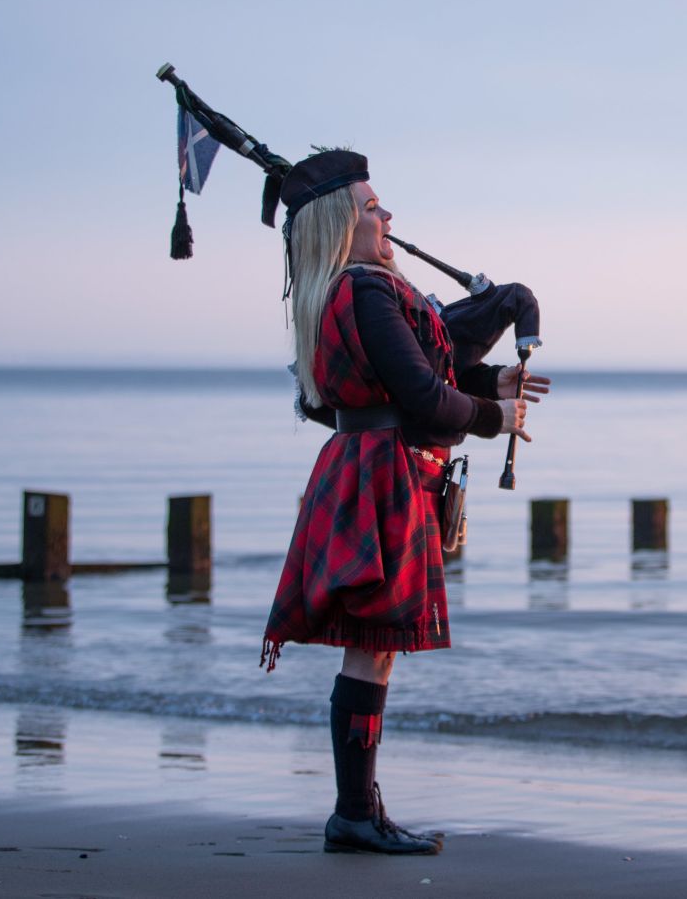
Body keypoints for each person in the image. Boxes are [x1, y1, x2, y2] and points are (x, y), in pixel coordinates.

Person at [260, 149, 550, 856]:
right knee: (373, 646)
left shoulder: (347, 291)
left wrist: (492, 388)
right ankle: (354, 815)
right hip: (383, 476)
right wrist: (495, 418)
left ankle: (361, 811)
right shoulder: (364, 290)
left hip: (373, 469)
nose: (386, 216)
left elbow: (411, 383)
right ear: (340, 223)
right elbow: (423, 398)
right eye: (371, 207)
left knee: (377, 650)